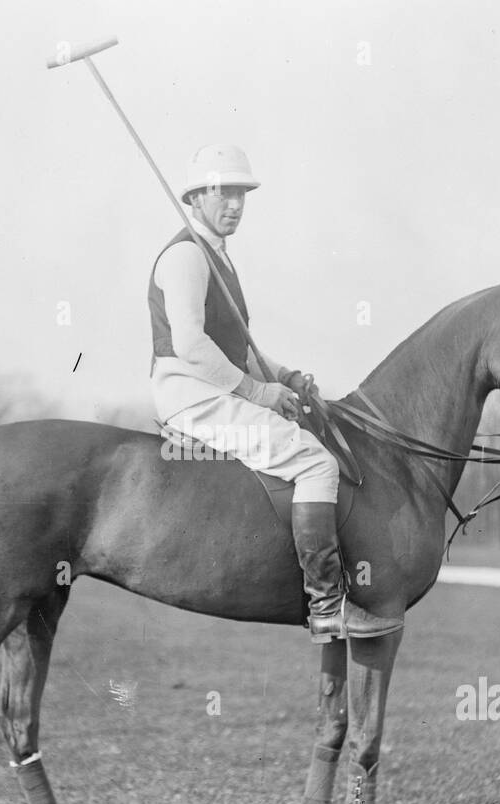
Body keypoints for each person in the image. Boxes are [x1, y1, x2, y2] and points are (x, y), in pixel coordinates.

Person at [148, 144, 402, 643]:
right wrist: (259, 393)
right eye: (223, 193)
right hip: (191, 397)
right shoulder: (186, 257)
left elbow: (237, 349)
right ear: (195, 197)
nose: (235, 204)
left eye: (241, 193)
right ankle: (326, 605)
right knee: (316, 463)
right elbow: (191, 345)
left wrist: (286, 377)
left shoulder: (216, 256)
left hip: (211, 391)